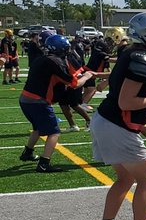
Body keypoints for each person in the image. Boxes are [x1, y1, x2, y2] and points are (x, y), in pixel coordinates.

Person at [89, 12, 146, 220]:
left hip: (106, 120)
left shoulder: (131, 54)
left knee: (125, 178)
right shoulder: (143, 60)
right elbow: (126, 102)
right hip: (118, 124)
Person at [19, 34, 93, 172]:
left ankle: (27, 153)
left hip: (25, 99)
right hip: (37, 101)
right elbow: (73, 83)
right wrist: (87, 76)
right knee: (54, 132)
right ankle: (44, 164)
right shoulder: (55, 61)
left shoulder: (42, 58)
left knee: (38, 127)